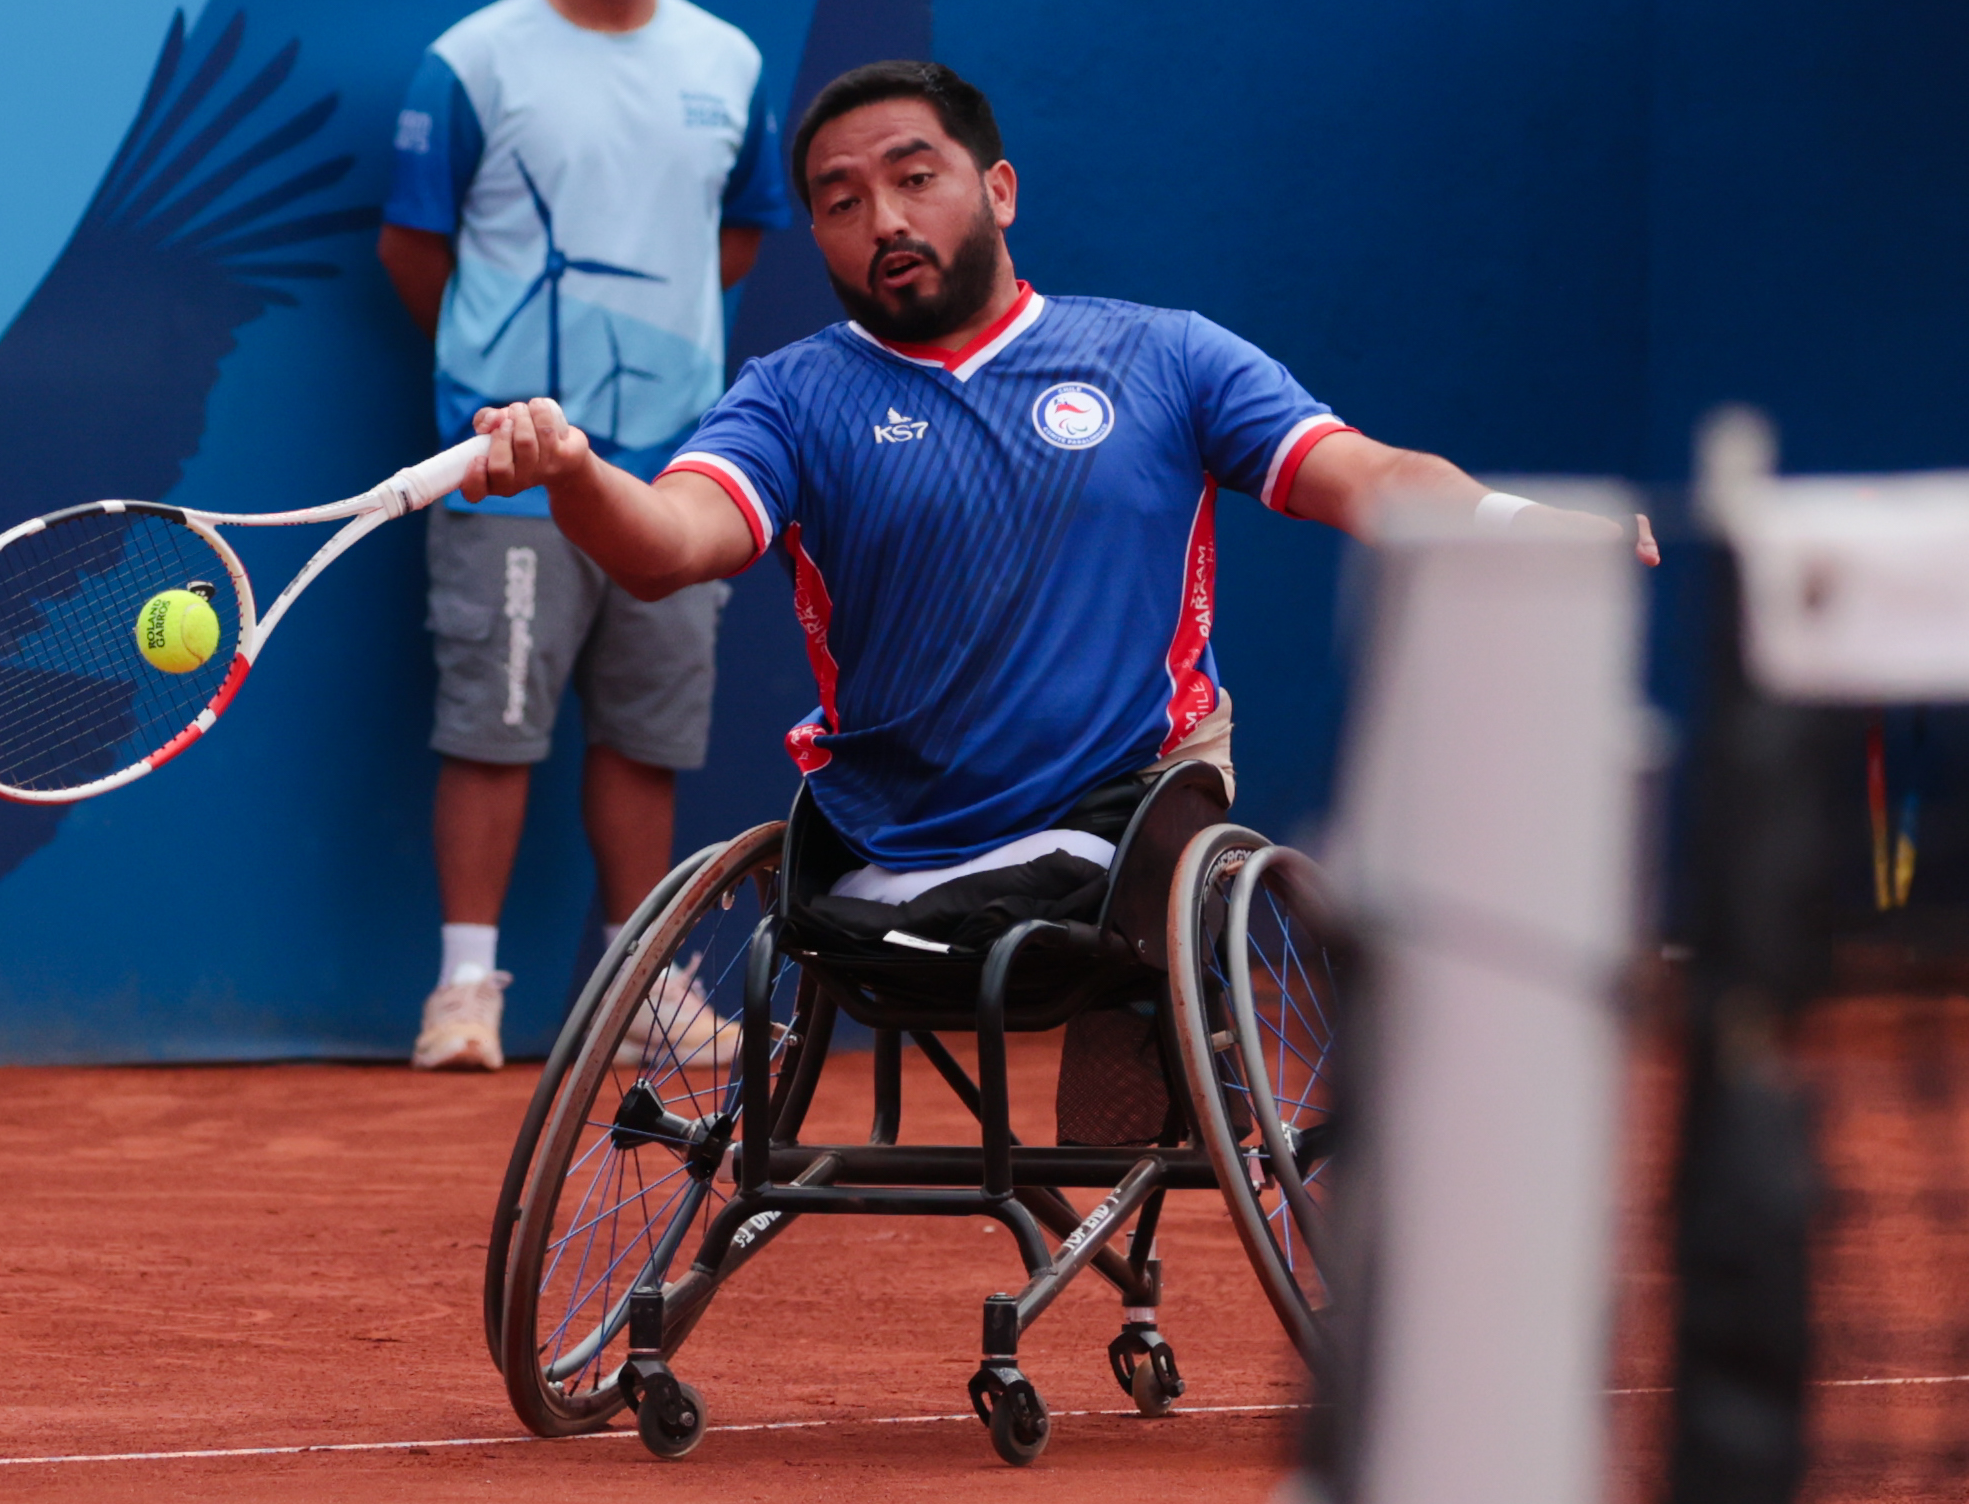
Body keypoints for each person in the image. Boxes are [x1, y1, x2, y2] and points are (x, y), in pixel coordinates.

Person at [453, 59, 1661, 1134]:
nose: (882, 219)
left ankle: (1148, 1088)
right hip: (879, 856)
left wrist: (1519, 525)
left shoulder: (1165, 356)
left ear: (998, 190)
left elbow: (1368, 475)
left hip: (1116, 830)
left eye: (914, 177)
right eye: (838, 201)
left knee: (1134, 1046)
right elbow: (667, 542)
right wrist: (573, 470)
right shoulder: (788, 396)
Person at [379, 0, 793, 1071]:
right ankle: (464, 992)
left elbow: (736, 238)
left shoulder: (729, 61)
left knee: (645, 735)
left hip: (676, 474)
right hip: (509, 466)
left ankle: (643, 991)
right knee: (489, 724)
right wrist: (497, 400)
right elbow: (413, 249)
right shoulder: (471, 61)